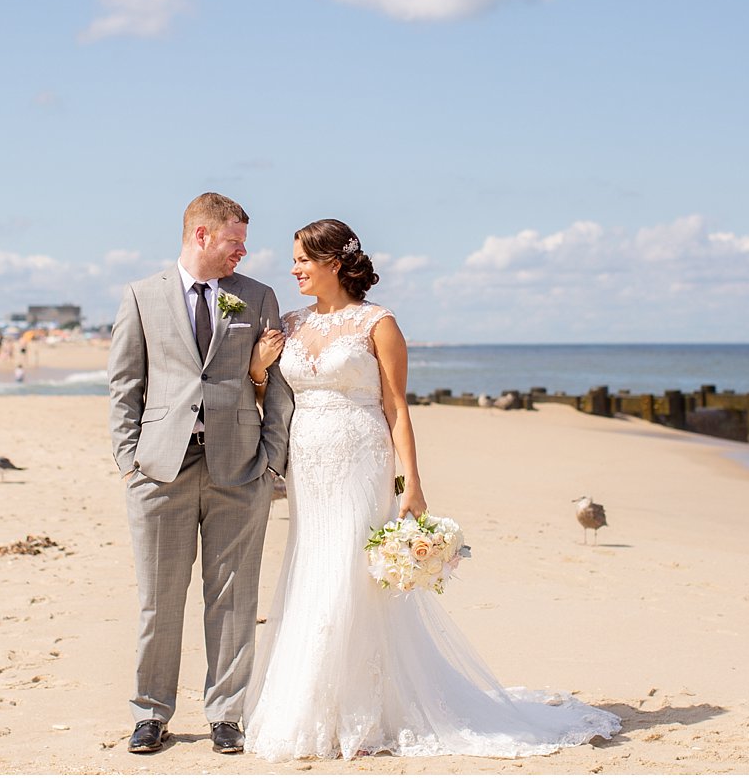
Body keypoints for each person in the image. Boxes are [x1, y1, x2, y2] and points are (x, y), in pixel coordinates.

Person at [242, 219, 621, 761]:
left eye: (302, 258)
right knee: (312, 566)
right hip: (309, 465)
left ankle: (361, 710)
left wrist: (412, 483)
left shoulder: (379, 323)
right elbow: (271, 400)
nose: (294, 268)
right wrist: (259, 370)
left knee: (351, 573)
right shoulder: (290, 323)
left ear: (333, 263)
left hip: (361, 460)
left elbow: (397, 407)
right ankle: (313, 706)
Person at [107, 193, 294, 756]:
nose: (244, 251)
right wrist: (128, 460)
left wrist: (270, 462)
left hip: (239, 469)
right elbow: (124, 386)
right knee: (158, 598)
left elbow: (277, 387)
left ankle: (227, 715)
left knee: (235, 598)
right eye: (235, 240)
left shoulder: (258, 297)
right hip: (160, 469)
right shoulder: (141, 296)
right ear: (202, 235)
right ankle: (151, 713)